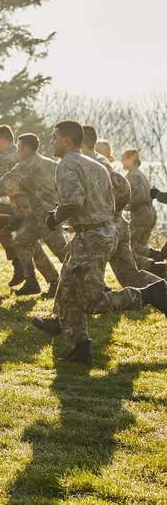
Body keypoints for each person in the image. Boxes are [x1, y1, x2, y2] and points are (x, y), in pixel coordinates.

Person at [33, 120, 167, 366]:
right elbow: (119, 192)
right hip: (100, 232)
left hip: (91, 238)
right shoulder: (96, 165)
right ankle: (80, 348)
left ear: (66, 140)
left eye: (54, 137)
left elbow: (73, 200)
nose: (51, 141)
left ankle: (149, 294)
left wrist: (54, 218)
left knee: (91, 300)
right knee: (66, 292)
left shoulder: (66, 166)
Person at [0, 133, 66, 295]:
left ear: (26, 149)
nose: (17, 151)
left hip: (44, 218)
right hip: (45, 216)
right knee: (21, 242)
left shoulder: (23, 166)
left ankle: (90, 285)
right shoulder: (51, 164)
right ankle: (33, 282)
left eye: (19, 148)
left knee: (63, 253)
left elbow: (2, 187)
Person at [122, 149, 158, 267]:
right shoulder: (141, 174)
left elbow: (141, 196)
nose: (121, 161)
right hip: (150, 213)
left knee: (132, 244)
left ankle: (157, 255)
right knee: (142, 244)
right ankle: (156, 266)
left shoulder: (132, 175)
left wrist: (129, 205)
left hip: (141, 215)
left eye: (124, 158)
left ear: (131, 160)